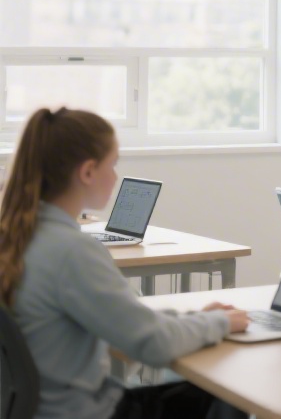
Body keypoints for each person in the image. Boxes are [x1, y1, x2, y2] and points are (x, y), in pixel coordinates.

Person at [0, 107, 250, 419]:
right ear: (88, 172)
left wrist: (193, 319)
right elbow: (153, 345)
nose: (116, 176)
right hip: (86, 413)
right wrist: (220, 323)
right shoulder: (72, 252)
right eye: (113, 164)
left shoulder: (17, 235)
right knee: (231, 391)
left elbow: (129, 321)